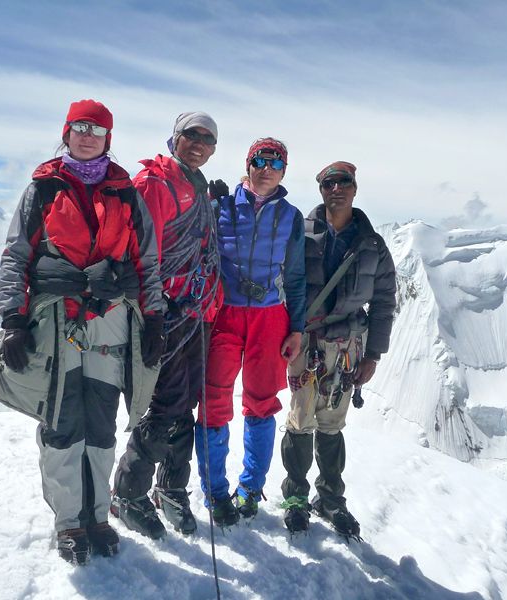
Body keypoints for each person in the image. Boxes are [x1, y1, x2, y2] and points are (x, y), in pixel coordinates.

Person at [0, 99, 165, 565]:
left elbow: (146, 261)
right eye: (80, 127)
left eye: (98, 129)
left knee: (102, 421)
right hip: (55, 320)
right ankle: (70, 520)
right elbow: (16, 257)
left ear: (109, 138)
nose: (88, 135)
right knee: (62, 421)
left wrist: (154, 318)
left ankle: (98, 515)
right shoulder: (44, 189)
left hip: (110, 318)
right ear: (67, 132)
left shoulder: (125, 192)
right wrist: (12, 318)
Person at [111, 112, 222, 539]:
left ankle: (171, 486)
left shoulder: (196, 187)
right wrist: (154, 314)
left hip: (196, 313)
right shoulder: (153, 185)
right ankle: (128, 491)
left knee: (187, 402)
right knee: (166, 405)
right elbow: (142, 256)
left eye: (206, 139)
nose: (197, 143)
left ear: (214, 149)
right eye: (190, 135)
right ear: (173, 139)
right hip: (167, 314)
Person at [279, 161, 396, 539]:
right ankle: (296, 498)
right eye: (330, 183)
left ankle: (330, 498)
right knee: (300, 419)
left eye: (344, 182)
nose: (337, 189)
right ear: (321, 190)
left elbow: (383, 301)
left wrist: (374, 354)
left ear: (355, 188)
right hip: (309, 341)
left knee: (331, 423)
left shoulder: (373, 245)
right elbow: (285, 283)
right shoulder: (302, 234)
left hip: (348, 347)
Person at [194, 138, 306, 526]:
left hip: (270, 318)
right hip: (223, 313)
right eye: (260, 160)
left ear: (284, 171)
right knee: (214, 401)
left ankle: (249, 489)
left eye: (275, 163)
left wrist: (297, 328)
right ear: (249, 163)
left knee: (261, 403)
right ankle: (214, 491)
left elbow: (295, 277)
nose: (266, 168)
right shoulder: (220, 206)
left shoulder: (291, 217)